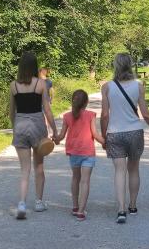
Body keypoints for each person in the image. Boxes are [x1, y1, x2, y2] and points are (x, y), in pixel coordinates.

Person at [100, 53, 149, 224]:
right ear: (130, 65)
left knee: (119, 171)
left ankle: (121, 210)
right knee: (133, 169)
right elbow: (146, 114)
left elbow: (105, 115)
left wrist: (104, 136)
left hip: (115, 133)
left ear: (115, 66)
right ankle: (132, 206)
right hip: (135, 132)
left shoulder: (107, 87)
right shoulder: (138, 86)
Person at [9, 52, 59, 220]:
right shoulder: (41, 84)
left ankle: (22, 203)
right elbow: (47, 109)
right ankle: (38, 202)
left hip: (21, 125)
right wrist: (55, 129)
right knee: (39, 166)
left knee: (25, 169)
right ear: (35, 66)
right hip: (37, 125)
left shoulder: (13, 86)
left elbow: (11, 112)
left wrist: (14, 127)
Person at [57, 90, 105, 221]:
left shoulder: (67, 116)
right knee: (85, 181)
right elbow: (95, 134)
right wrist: (105, 143)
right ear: (86, 102)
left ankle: (75, 206)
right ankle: (81, 211)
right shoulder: (90, 115)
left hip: (74, 152)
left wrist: (55, 139)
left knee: (75, 178)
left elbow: (61, 136)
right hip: (87, 152)